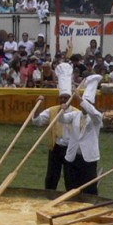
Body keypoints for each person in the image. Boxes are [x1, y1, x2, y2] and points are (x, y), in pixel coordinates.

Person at [33, 63, 76, 191]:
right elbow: (36, 121)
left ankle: (71, 199)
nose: (63, 100)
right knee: (51, 177)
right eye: (61, 98)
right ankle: (49, 197)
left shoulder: (76, 113)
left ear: (70, 99)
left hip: (70, 148)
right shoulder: (52, 111)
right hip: (55, 147)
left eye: (66, 98)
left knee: (70, 177)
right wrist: (38, 107)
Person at [59, 74, 104, 194]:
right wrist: (62, 109)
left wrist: (80, 99)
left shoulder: (96, 118)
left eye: (88, 103)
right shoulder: (75, 115)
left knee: (89, 187)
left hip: (88, 157)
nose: (84, 105)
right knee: (71, 185)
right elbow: (62, 119)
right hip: (73, 156)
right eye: (84, 102)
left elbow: (94, 113)